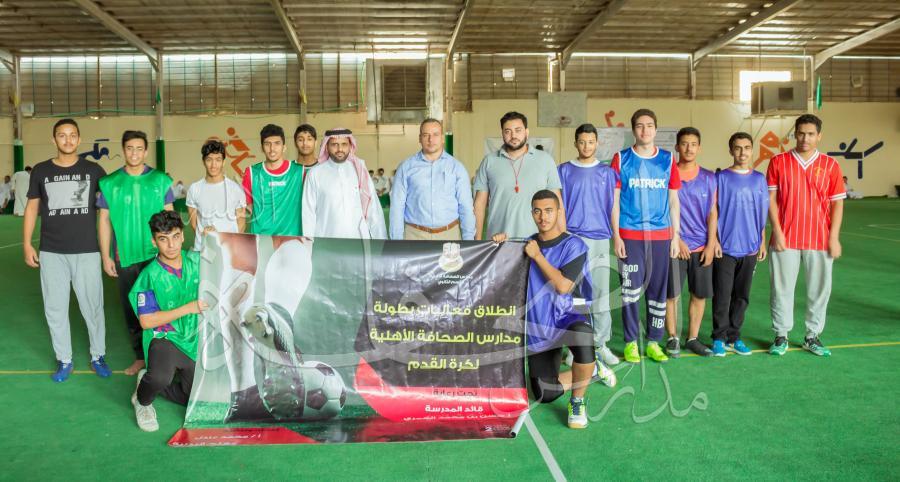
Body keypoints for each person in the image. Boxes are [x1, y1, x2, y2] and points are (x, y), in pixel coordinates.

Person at [492, 190, 597, 429]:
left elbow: (562, 286)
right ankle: (590, 370)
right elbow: (501, 269)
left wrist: (538, 256)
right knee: (544, 393)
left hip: (570, 315)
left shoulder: (574, 245)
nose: (543, 217)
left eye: (549, 211)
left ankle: (577, 401)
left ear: (559, 212)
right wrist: (499, 244)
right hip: (541, 322)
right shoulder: (527, 245)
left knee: (583, 337)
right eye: (537, 211)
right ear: (532, 214)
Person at [23, 118, 109, 382]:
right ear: (54, 139)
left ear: (79, 139)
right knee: (55, 308)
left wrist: (109, 251)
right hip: (52, 252)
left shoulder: (94, 171)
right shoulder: (40, 171)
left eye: (72, 135)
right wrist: (27, 244)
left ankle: (98, 355)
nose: (68, 140)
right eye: (62, 135)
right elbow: (32, 208)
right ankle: (64, 359)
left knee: (93, 306)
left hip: (87, 251)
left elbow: (107, 211)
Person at [767, 114, 845, 357]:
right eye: (801, 133)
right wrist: (777, 231)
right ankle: (781, 335)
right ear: (795, 134)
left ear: (819, 136)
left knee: (819, 290)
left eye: (811, 134)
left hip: (819, 239)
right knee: (781, 289)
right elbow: (771, 200)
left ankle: (812, 336)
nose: (805, 138)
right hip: (785, 238)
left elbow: (837, 204)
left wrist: (834, 237)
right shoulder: (778, 161)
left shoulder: (831, 165)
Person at [98, 130, 175, 375]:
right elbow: (104, 220)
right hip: (126, 256)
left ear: (146, 151)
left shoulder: (160, 180)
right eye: (130, 148)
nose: (134, 153)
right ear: (123, 150)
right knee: (133, 308)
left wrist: (171, 251)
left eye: (139, 148)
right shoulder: (110, 183)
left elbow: (170, 216)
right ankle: (140, 357)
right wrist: (105, 256)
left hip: (157, 256)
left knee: (162, 305)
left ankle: (165, 357)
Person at [611, 108, 681, 364]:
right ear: (633, 130)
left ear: (655, 129)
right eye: (640, 126)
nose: (645, 130)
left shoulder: (667, 159)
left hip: (661, 237)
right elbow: (614, 201)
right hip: (630, 236)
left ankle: (653, 341)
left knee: (658, 290)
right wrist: (617, 236)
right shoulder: (621, 159)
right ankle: (630, 343)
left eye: (649, 125)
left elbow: (674, 201)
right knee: (630, 291)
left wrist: (675, 236)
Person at [128, 210, 205, 432]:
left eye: (175, 236)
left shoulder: (198, 261)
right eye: (163, 239)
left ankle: (146, 379)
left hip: (194, 337)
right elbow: (147, 321)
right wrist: (188, 308)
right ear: (154, 242)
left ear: (182, 236)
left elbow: (229, 262)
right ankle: (142, 401)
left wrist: (215, 240)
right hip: (165, 337)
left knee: (195, 397)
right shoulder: (149, 276)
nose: (171, 245)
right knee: (160, 377)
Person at [557, 123, 619, 368]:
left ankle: (600, 344)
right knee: (576, 297)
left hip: (600, 239)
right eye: (582, 142)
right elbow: (560, 207)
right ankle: (577, 346)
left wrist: (617, 237)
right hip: (573, 240)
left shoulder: (607, 173)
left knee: (601, 293)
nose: (586, 146)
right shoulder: (563, 170)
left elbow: (613, 207)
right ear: (575, 143)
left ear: (597, 143)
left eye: (591, 142)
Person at [711, 132, 769, 356]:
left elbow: (761, 213)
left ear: (752, 150)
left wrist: (761, 241)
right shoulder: (721, 178)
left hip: (750, 247)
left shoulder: (759, 179)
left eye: (746, 148)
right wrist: (715, 240)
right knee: (722, 295)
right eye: (737, 148)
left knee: (742, 296)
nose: (742, 152)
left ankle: (734, 337)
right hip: (725, 247)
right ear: (731, 150)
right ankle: (719, 337)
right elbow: (713, 211)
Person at [664, 127, 716, 358]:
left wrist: (711, 244)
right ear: (677, 146)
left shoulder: (709, 178)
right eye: (684, 143)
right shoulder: (667, 175)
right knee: (671, 295)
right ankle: (672, 337)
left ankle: (692, 338)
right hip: (675, 246)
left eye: (693, 144)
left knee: (699, 295)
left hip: (701, 247)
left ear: (699, 147)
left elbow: (712, 213)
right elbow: (662, 211)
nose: (689, 148)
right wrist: (677, 238)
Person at [473, 111, 563, 240]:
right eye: (508, 131)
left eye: (518, 130)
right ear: (502, 134)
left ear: (526, 132)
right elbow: (479, 205)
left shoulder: (546, 160)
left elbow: (558, 204)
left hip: (538, 241)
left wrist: (562, 242)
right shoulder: (489, 161)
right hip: (499, 240)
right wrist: (476, 243)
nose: (513, 135)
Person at [390, 118, 475, 241]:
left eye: (435, 134)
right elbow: (397, 206)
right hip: (415, 236)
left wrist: (469, 240)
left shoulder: (457, 168)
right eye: (426, 135)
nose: (431, 139)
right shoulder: (406, 168)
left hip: (449, 235)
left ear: (442, 138)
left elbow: (466, 207)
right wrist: (396, 241)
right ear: (420, 138)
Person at [302, 127, 387, 239]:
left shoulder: (359, 170)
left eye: (344, 144)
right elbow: (308, 213)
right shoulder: (315, 174)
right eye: (334, 144)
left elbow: (373, 209)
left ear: (350, 146)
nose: (340, 149)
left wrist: (381, 241)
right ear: (326, 146)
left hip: (357, 240)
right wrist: (308, 242)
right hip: (326, 239)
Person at [241, 124, 305, 236]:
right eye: (267, 144)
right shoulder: (251, 173)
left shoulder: (299, 172)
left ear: (284, 147)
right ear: (262, 147)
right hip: (261, 239)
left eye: (277, 143)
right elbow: (245, 210)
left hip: (292, 239)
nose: (272, 149)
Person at [186, 140, 247, 252]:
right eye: (209, 159)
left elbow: (241, 224)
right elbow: (194, 224)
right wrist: (207, 239)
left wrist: (227, 244)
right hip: (203, 250)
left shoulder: (235, 189)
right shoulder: (194, 189)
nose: (213, 165)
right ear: (203, 161)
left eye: (218, 160)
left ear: (223, 162)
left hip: (229, 250)